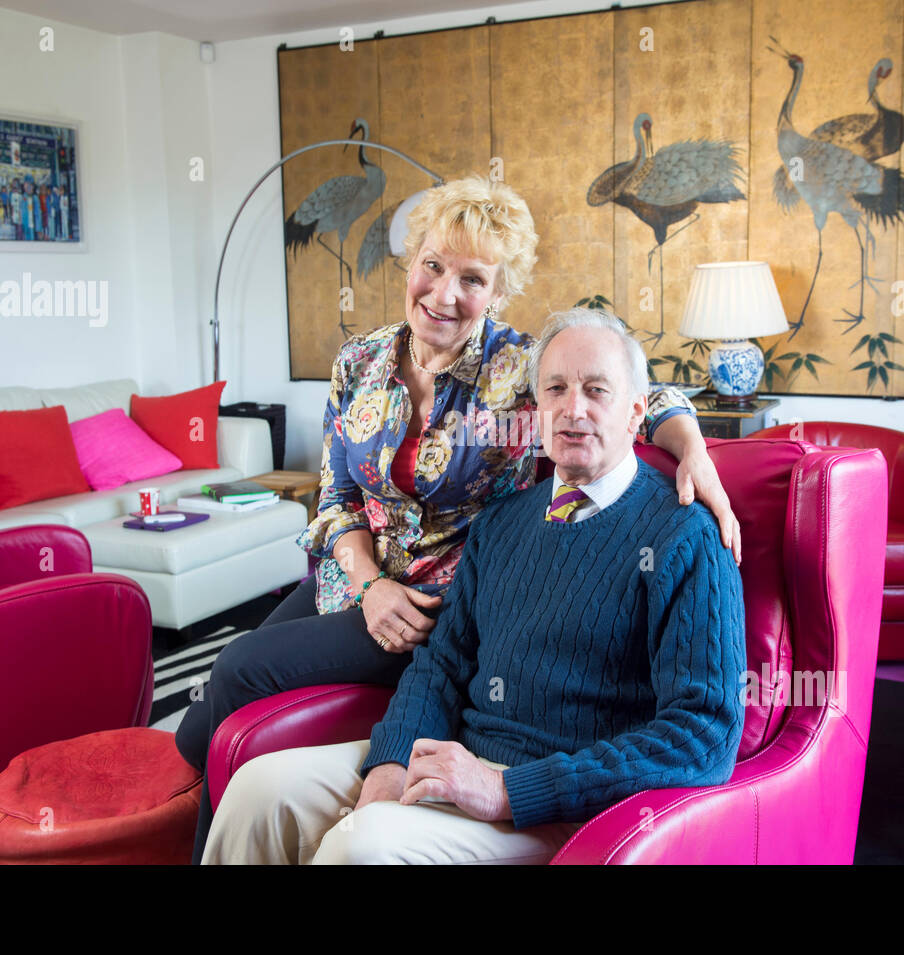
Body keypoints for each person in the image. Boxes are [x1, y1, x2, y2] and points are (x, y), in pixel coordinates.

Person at [174, 175, 742, 863]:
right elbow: (337, 497)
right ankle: (176, 784)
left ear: (496, 291)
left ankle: (181, 778)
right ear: (410, 263)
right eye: (433, 266)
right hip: (363, 575)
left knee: (241, 670)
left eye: (471, 277)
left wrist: (694, 445)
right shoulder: (365, 364)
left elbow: (613, 377)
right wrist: (387, 756)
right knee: (250, 766)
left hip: (432, 601)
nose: (445, 292)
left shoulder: (520, 375)